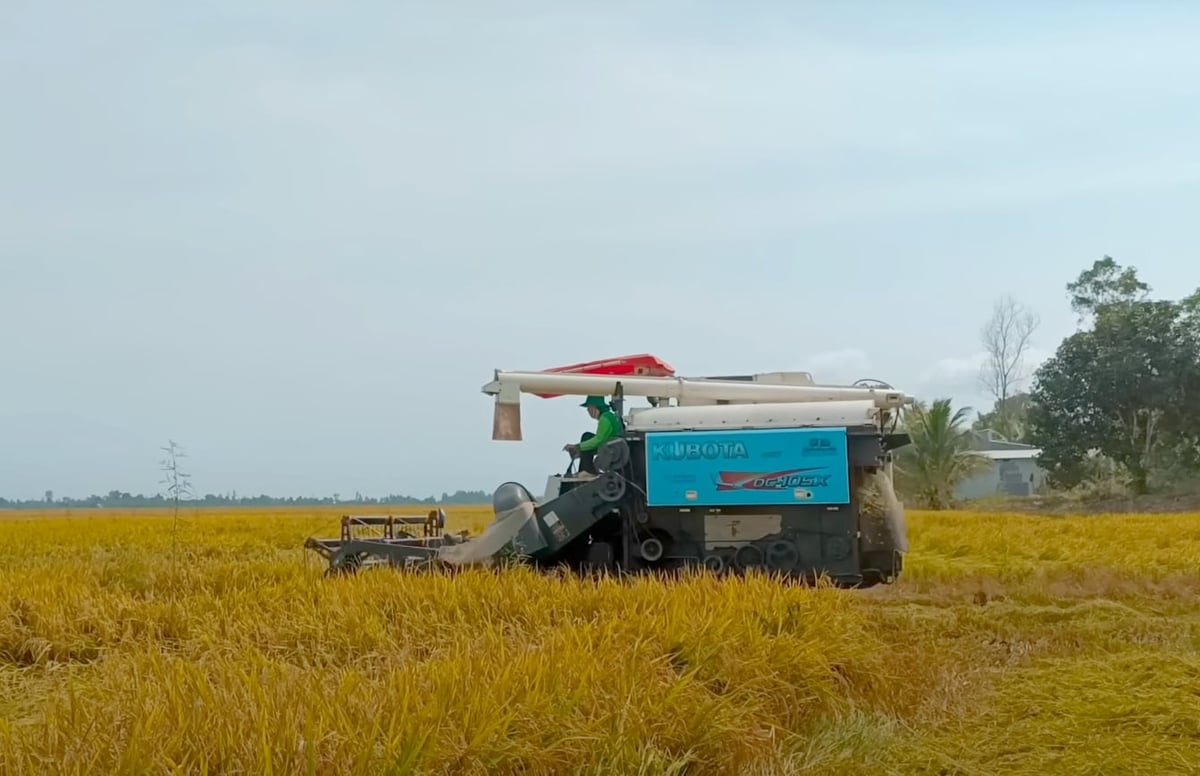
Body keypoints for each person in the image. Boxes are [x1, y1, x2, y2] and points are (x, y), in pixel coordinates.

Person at [563, 395, 622, 478]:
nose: (588, 410)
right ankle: (584, 470)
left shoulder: (605, 418)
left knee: (586, 437)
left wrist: (577, 447)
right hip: (610, 445)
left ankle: (588, 471)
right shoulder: (608, 416)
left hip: (611, 447)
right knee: (587, 437)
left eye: (589, 408)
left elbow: (598, 440)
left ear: (595, 408)